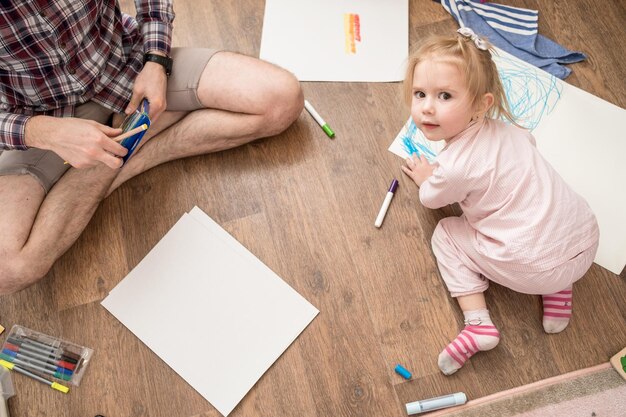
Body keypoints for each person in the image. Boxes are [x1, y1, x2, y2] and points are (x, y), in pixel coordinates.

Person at [0, 1, 303, 294]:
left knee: (281, 99)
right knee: (9, 270)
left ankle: (114, 163)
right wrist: (43, 132)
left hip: (125, 69)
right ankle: (134, 138)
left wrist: (156, 61)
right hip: (36, 114)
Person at [400, 28, 599, 376]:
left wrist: (425, 177)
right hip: (585, 240)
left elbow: (431, 199)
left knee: (446, 234)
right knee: (544, 213)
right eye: (420, 94)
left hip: (533, 269)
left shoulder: (454, 165)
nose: (427, 108)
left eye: (444, 96)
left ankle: (478, 324)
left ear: (481, 103)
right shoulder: (511, 131)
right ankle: (558, 290)